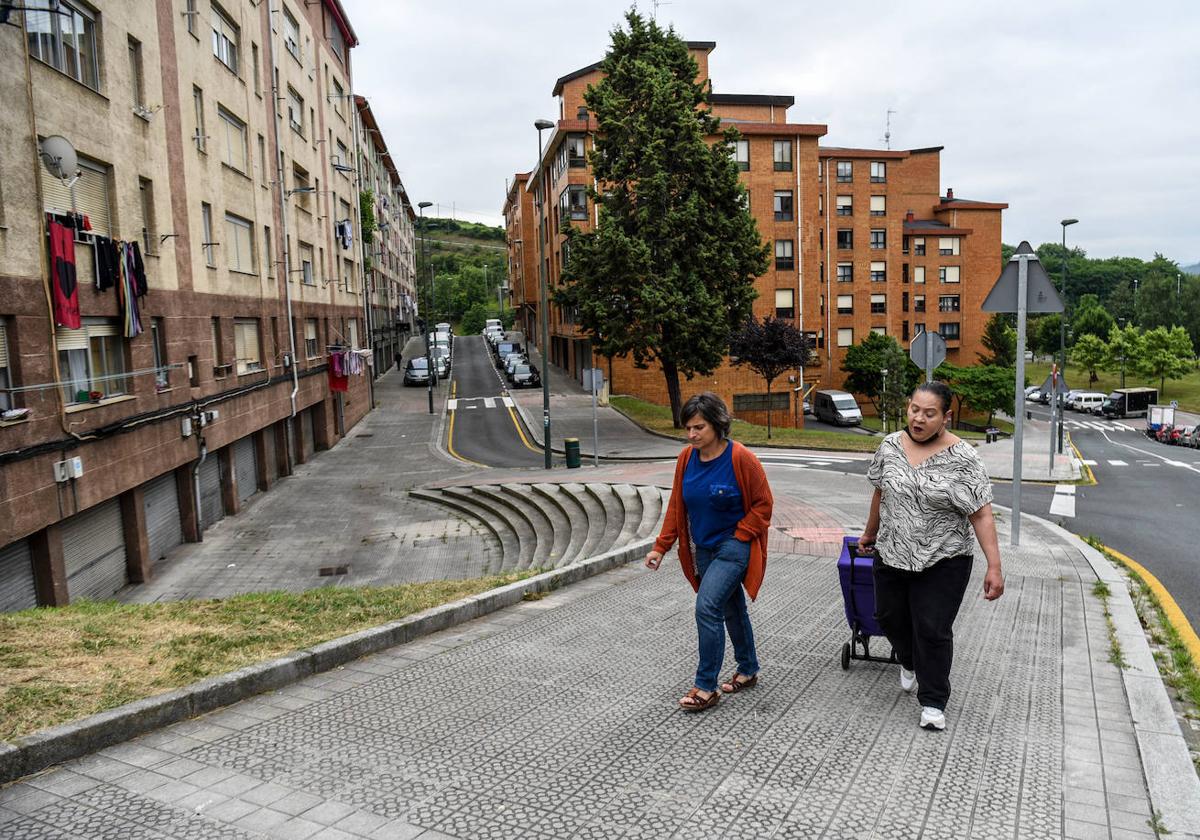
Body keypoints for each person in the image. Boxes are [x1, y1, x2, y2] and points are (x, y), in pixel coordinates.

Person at [860, 381, 1004, 731]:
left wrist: (994, 566)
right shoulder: (890, 446)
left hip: (944, 558)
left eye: (929, 413)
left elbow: (981, 514)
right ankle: (909, 661)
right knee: (887, 616)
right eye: (914, 410)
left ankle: (934, 701)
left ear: (945, 417)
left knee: (932, 628)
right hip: (892, 552)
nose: (919, 419)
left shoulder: (964, 458)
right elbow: (881, 493)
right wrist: (870, 532)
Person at [645, 392, 774, 713]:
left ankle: (706, 686)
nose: (691, 435)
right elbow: (677, 507)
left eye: (698, 427)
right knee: (731, 608)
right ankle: (748, 668)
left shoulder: (740, 458)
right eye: (687, 428)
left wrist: (742, 535)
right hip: (702, 548)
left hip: (733, 546)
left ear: (717, 425)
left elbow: (764, 505)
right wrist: (661, 547)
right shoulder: (686, 459)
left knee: (707, 607)